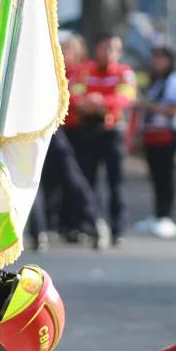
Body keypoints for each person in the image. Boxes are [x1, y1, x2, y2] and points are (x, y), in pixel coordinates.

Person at [67, 33, 136, 245]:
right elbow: (75, 93)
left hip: (112, 130)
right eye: (105, 47)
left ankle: (118, 229)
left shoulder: (125, 73)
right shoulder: (86, 71)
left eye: (114, 49)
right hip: (89, 130)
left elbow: (126, 96)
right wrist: (87, 102)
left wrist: (100, 101)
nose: (109, 52)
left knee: (116, 182)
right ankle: (88, 225)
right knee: (88, 180)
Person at [133, 42, 176, 240]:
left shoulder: (174, 81)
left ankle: (166, 215)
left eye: (161, 58)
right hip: (152, 135)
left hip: (167, 134)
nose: (157, 62)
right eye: (155, 58)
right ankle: (157, 214)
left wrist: (146, 105)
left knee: (165, 176)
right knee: (155, 176)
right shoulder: (156, 81)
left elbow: (173, 109)